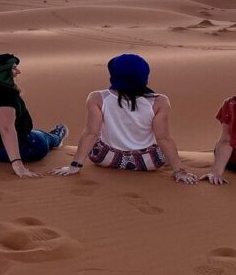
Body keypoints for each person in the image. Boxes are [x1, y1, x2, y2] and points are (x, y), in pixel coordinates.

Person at [51, 53, 198, 184]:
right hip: (148, 162)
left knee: (97, 134)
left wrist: (75, 166)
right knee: (159, 141)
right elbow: (163, 138)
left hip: (106, 159)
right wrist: (179, 171)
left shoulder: (97, 98)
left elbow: (91, 133)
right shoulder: (160, 101)